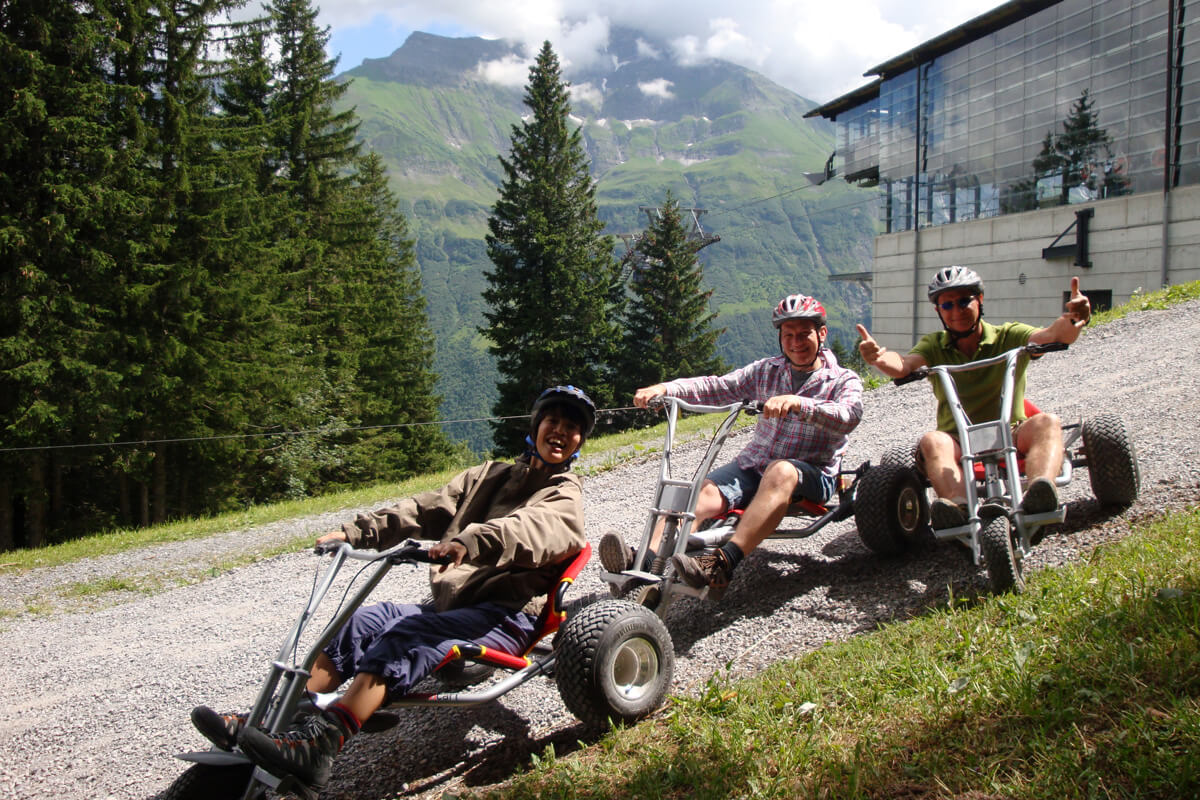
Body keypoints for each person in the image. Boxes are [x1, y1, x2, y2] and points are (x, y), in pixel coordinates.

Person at [189, 385, 595, 800]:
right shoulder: (488, 476)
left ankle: (319, 748)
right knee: (361, 622)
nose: (560, 432)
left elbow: (532, 529)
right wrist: (356, 533)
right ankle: (279, 719)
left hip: (505, 615)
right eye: (553, 421)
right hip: (454, 604)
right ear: (536, 426)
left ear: (580, 440)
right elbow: (424, 508)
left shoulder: (565, 493)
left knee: (409, 637)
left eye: (572, 427)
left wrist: (469, 541)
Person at [601, 293, 864, 600]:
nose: (796, 342)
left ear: (821, 333)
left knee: (781, 471)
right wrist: (665, 389)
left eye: (804, 333)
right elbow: (717, 387)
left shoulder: (843, 380)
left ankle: (721, 563)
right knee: (697, 495)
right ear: (780, 337)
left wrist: (799, 404)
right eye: (788, 334)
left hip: (812, 474)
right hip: (754, 465)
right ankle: (643, 566)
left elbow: (849, 416)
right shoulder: (767, 371)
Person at [856, 267, 1091, 529]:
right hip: (957, 439)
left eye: (964, 301)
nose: (956, 311)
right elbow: (904, 364)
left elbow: (1052, 335)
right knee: (932, 441)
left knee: (1047, 421)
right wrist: (878, 358)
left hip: (1010, 430)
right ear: (939, 311)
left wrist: (1074, 318)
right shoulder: (934, 346)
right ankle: (959, 509)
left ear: (980, 299)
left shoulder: (1008, 335)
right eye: (947, 304)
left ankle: (1040, 493)